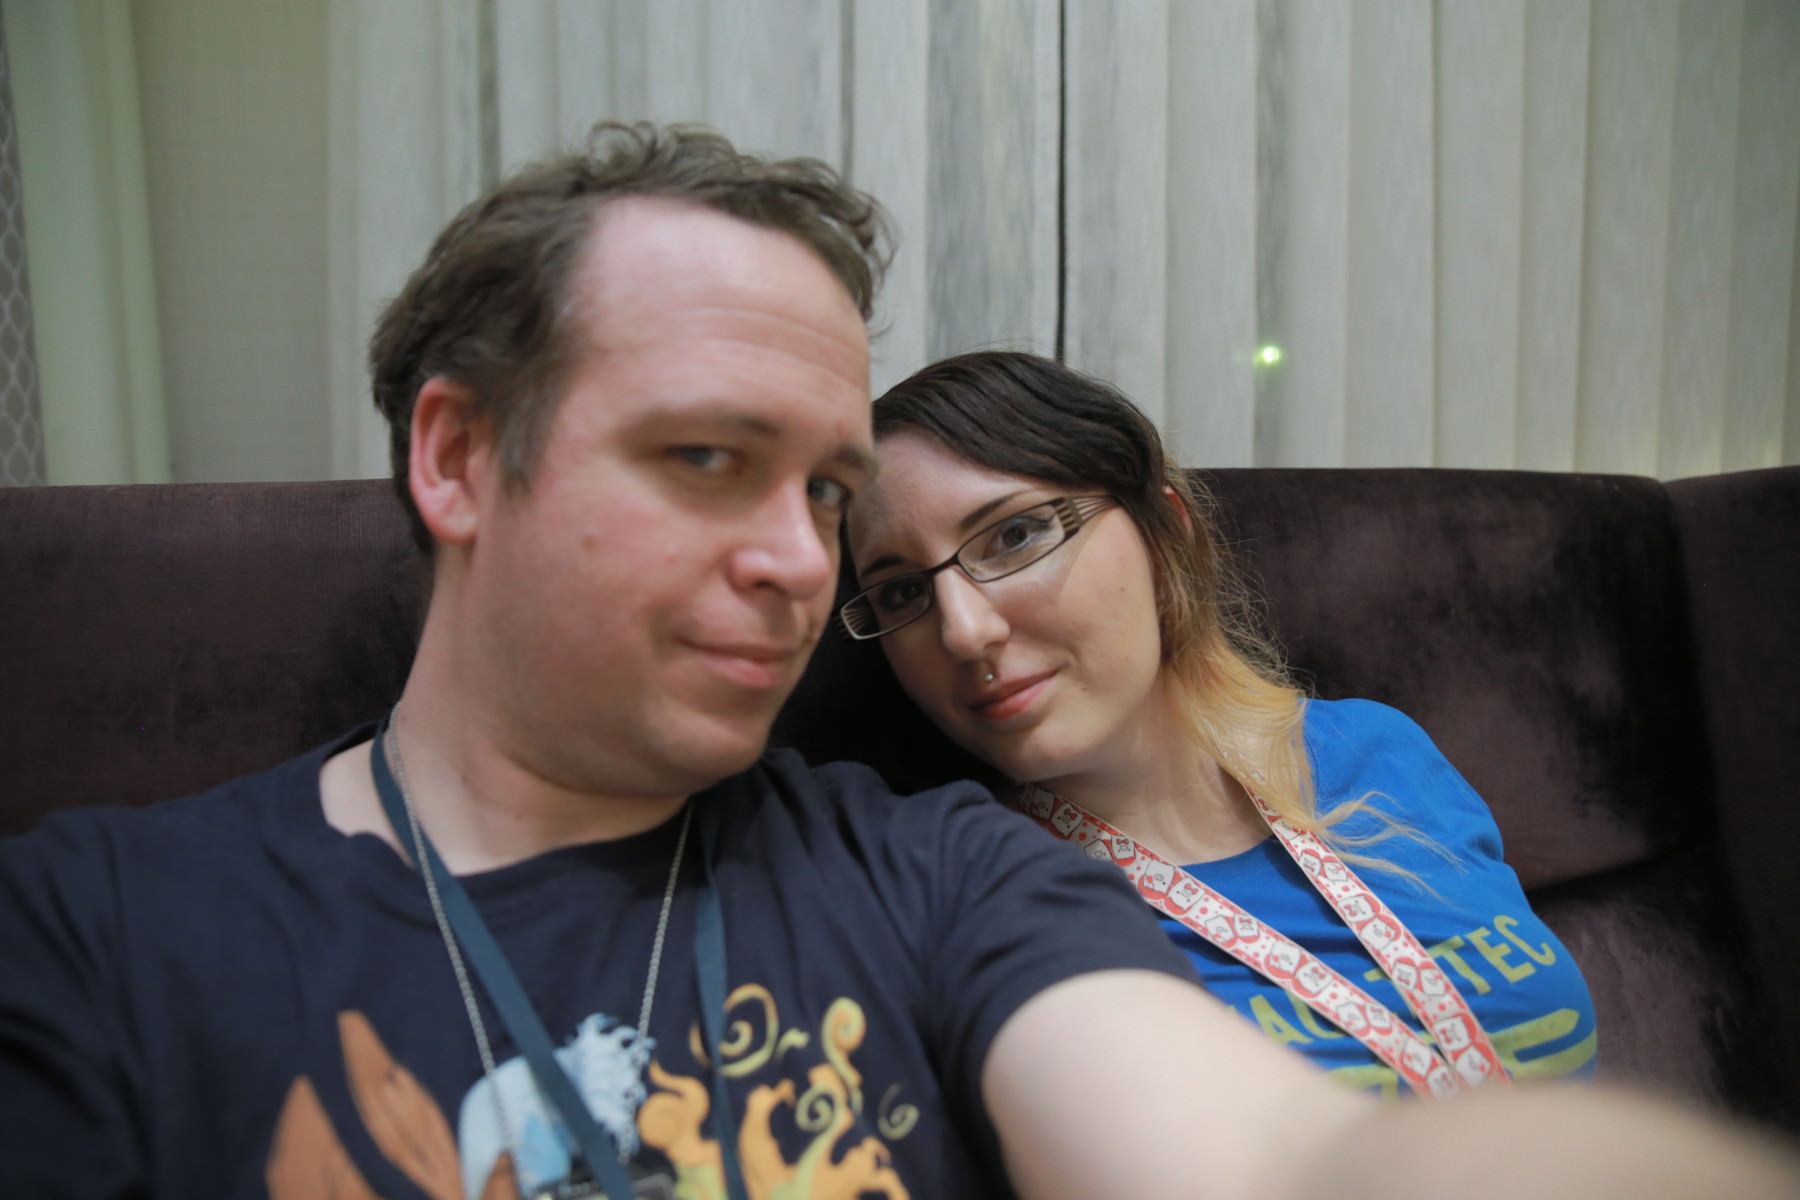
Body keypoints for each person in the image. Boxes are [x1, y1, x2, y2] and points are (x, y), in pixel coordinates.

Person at [1, 122, 1795, 1200]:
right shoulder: (93, 932)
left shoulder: (933, 869)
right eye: (709, 457)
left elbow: (1284, 1160)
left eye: (822, 490)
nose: (802, 566)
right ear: (462, 458)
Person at [843, 350, 1597, 1098]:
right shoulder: (978, 897)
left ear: (1165, 534)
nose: (963, 632)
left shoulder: (1376, 751)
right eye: (902, 592)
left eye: (1015, 536)